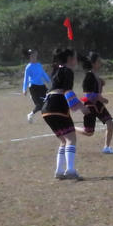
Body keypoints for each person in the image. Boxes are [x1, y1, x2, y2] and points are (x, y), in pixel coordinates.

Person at [40, 47, 84, 179]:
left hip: (46, 109)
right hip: (58, 106)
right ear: (70, 59)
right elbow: (68, 91)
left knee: (64, 140)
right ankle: (70, 170)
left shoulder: (57, 70)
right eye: (75, 57)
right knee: (71, 139)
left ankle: (59, 171)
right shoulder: (67, 71)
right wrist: (81, 107)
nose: (77, 60)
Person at [80, 51, 113, 154]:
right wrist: (102, 98)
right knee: (89, 132)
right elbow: (87, 95)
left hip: (98, 104)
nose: (100, 63)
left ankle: (106, 147)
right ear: (93, 63)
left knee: (110, 122)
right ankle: (72, 128)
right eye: (98, 61)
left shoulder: (95, 75)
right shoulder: (89, 76)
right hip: (90, 105)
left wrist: (100, 83)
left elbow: (96, 89)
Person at [22, 49, 51, 122]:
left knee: (49, 99)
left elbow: (43, 73)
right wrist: (24, 89)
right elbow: (26, 79)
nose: (34, 57)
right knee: (40, 105)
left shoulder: (39, 65)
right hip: (33, 87)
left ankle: (50, 115)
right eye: (32, 56)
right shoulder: (28, 67)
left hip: (41, 86)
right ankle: (30, 115)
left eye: (35, 56)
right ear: (30, 57)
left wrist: (49, 81)